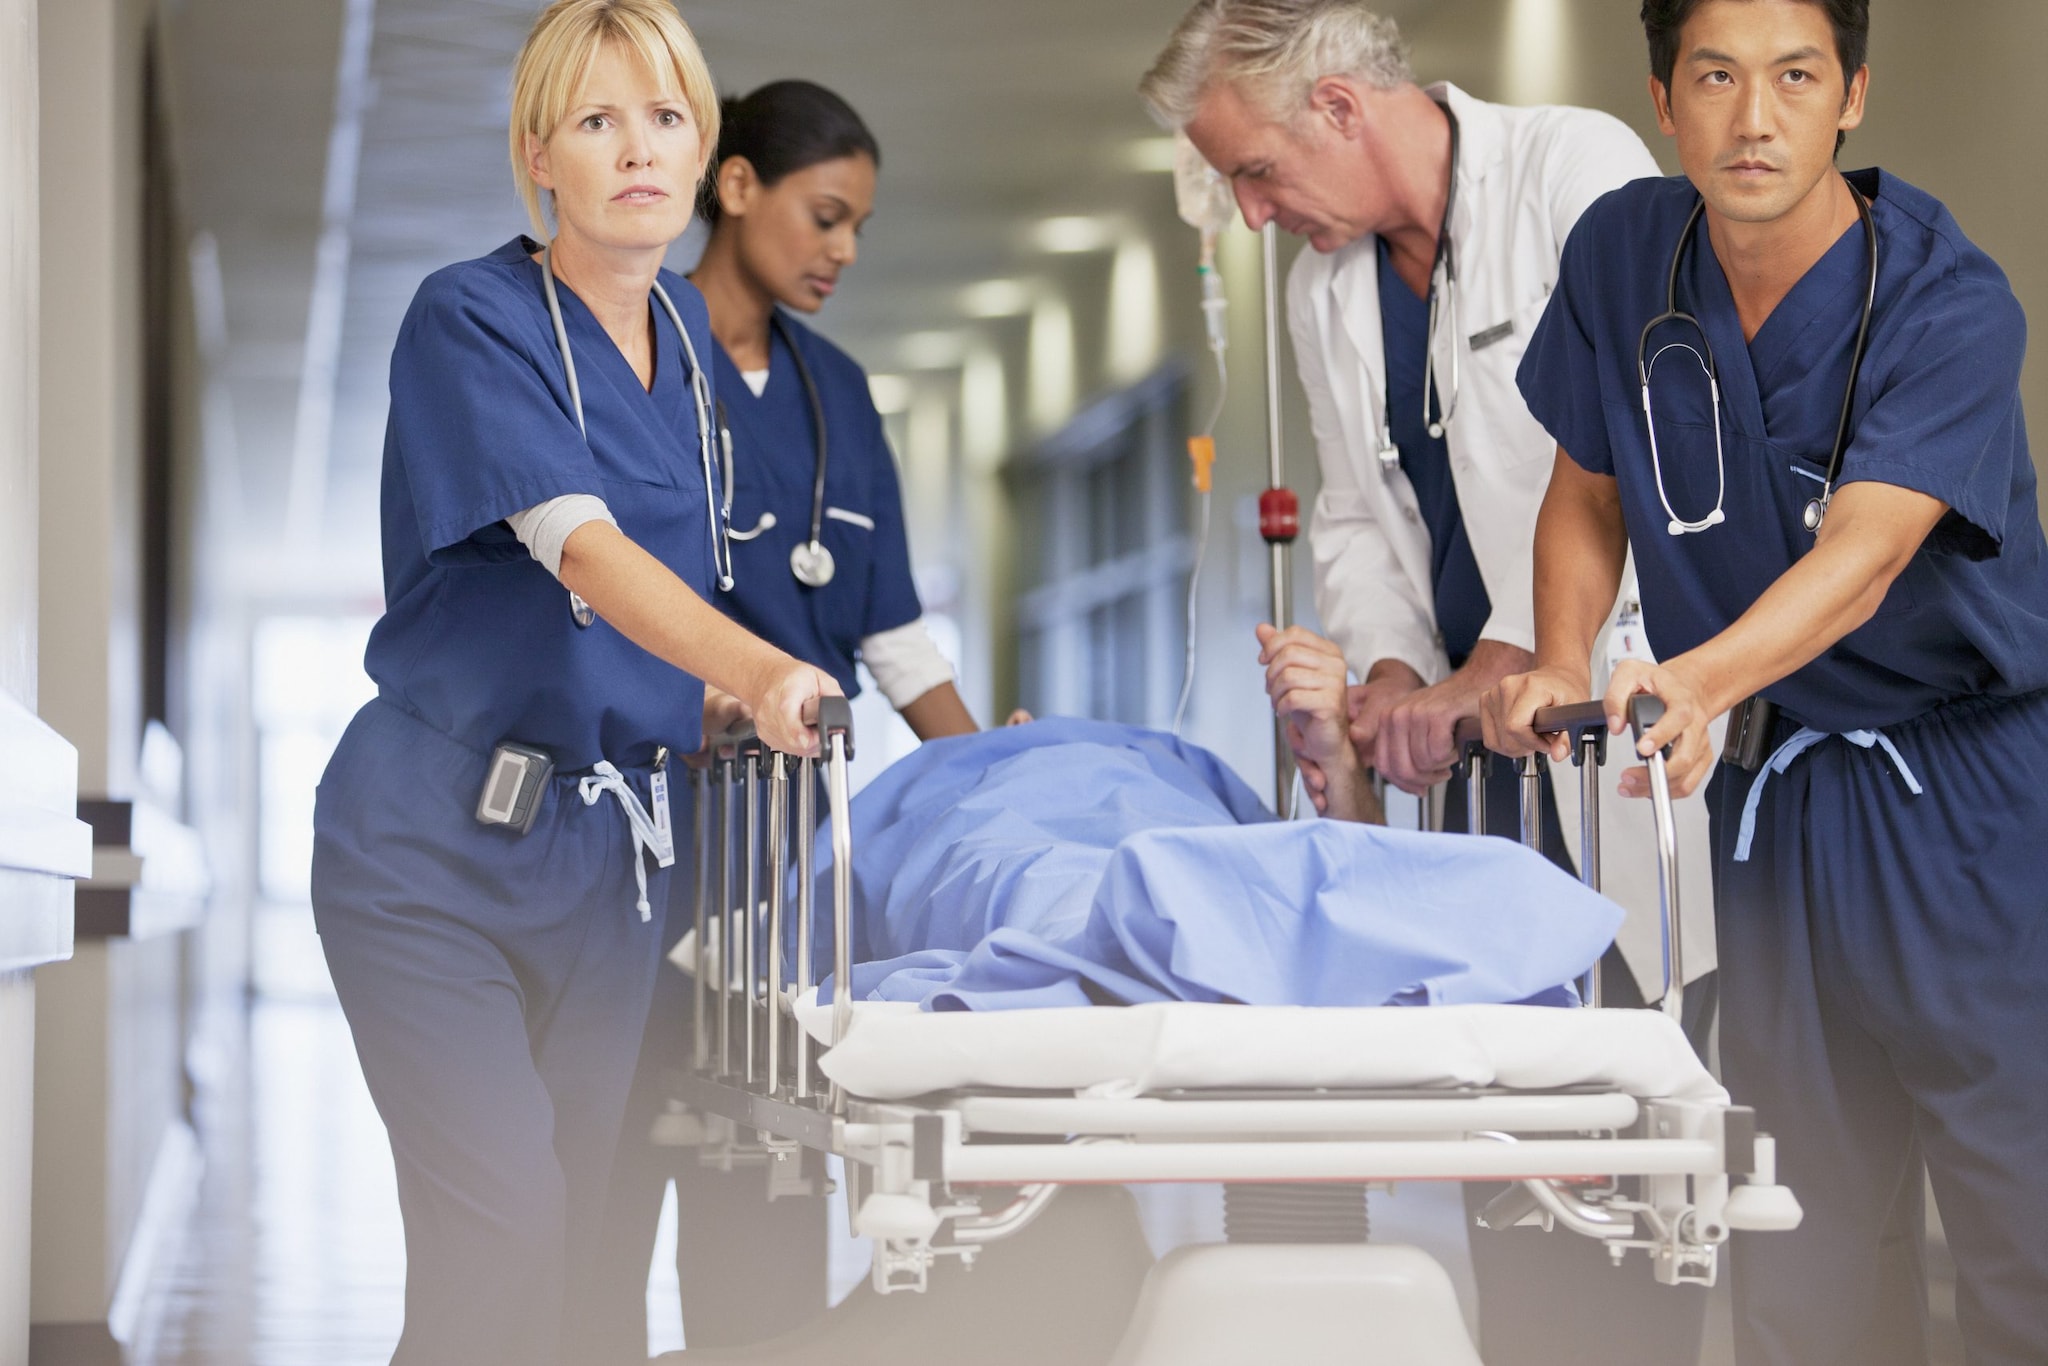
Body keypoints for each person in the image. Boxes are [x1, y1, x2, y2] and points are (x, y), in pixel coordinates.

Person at [1140, 4, 1713, 1362]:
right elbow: (1355, 512)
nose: (1253, 208)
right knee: (1504, 1169)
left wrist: (1490, 672)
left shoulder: (1574, 175)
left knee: (1626, 1177)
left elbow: (1639, 468)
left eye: (1258, 170)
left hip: (1594, 742)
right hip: (1479, 784)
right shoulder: (1326, 286)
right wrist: (1401, 674)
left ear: (1339, 107)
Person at [1484, 0, 2048, 1360]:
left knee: (2017, 1214)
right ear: (1663, 98)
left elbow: (1864, 553)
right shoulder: (1626, 253)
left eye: (1795, 77)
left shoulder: (1945, 300)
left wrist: (1699, 677)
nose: (1754, 118)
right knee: (1796, 1219)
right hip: (1778, 801)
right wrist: (1562, 654)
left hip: (1964, 796)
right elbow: (1587, 486)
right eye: (1717, 77)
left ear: (1850, 94)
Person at [309, 4, 841, 1363]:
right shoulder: (471, 319)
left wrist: (717, 704)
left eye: (665, 117)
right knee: (503, 1230)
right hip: (431, 853)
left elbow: (663, 611)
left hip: (607, 866)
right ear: (540, 152)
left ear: (702, 141)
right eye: (597, 121)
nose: (638, 150)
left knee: (586, 1262)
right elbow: (584, 552)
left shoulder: (683, 349)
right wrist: (763, 666)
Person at [587, 79, 989, 1361]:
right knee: (608, 1171)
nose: (842, 251)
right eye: (823, 214)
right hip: (634, 837)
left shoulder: (838, 392)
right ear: (737, 185)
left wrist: (991, 770)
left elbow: (889, 631)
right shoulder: (621, 351)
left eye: (859, 227)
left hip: (785, 854)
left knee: (765, 1160)